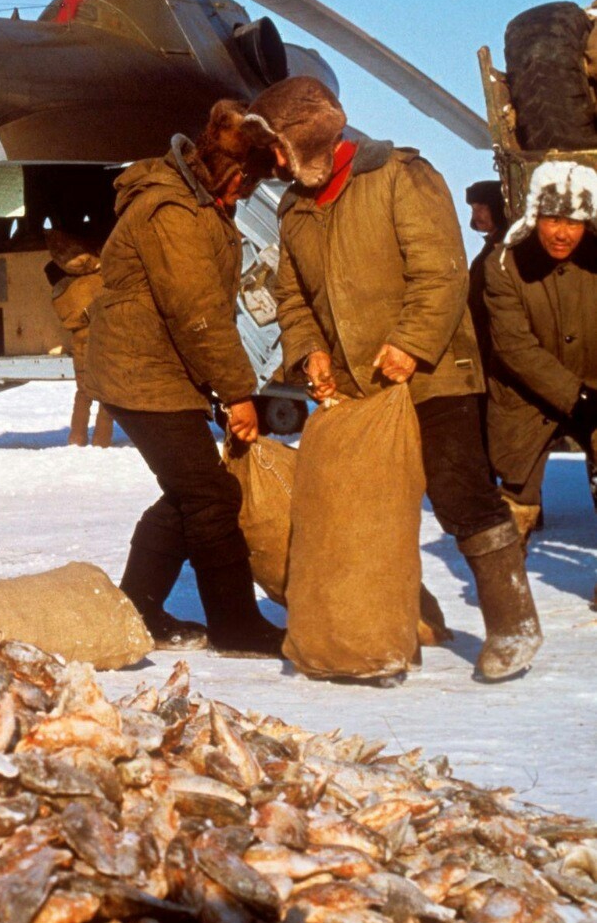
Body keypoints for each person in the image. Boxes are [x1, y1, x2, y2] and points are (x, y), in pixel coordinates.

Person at [252, 75, 542, 682]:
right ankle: (397, 622)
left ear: (306, 139)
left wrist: (410, 344)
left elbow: (440, 273)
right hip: (360, 389)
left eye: (278, 146)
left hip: (434, 374)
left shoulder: (402, 177)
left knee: (459, 492)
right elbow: (293, 295)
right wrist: (309, 352)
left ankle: (514, 625)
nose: (272, 162)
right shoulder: (294, 208)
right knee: (364, 509)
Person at [83, 100, 283, 655]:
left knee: (192, 491)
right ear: (236, 172)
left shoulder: (196, 204)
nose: (247, 195)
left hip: (156, 368)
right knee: (210, 496)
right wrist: (238, 393)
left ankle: (138, 609)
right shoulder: (172, 212)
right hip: (140, 372)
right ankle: (237, 625)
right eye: (250, 182)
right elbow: (197, 314)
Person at [482, 161, 597, 554]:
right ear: (535, 215)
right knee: (515, 499)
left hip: (595, 385)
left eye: (574, 222)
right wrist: (574, 396)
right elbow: (513, 347)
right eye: (552, 219)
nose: (562, 233)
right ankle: (507, 594)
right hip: (525, 396)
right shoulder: (502, 265)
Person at [47, 250, 114, 448]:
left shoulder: (59, 297)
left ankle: (76, 438)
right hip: (102, 338)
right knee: (107, 394)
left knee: (83, 393)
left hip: (80, 342)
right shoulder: (89, 284)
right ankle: (102, 441)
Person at [465, 178, 508, 374]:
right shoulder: (491, 246)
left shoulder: (505, 247)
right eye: (474, 209)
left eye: (482, 208)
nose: (476, 215)